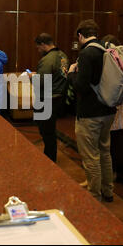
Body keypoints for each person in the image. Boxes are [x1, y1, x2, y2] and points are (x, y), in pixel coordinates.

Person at [68, 20, 116, 202]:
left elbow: (81, 86)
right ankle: (108, 190)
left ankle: (94, 194)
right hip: (109, 110)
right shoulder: (107, 49)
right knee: (104, 151)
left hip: (90, 113)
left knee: (90, 155)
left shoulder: (87, 53)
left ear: (80, 35)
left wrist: (71, 73)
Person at [32, 33, 69, 162]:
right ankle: (50, 156)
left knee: (46, 132)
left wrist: (32, 77)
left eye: (38, 47)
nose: (38, 50)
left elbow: (41, 82)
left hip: (47, 99)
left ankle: (49, 159)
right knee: (51, 130)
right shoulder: (63, 55)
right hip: (59, 97)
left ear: (43, 44)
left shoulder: (48, 59)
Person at [102, 34, 123, 181]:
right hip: (114, 106)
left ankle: (111, 175)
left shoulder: (119, 62)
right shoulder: (121, 61)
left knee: (113, 143)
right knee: (112, 141)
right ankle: (109, 174)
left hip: (114, 106)